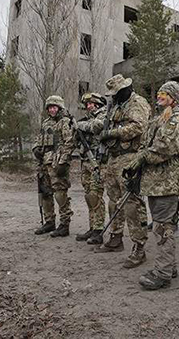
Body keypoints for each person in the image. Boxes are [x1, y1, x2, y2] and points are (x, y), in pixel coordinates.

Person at [129, 81, 179, 290]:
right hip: (156, 183)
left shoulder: (177, 119)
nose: (160, 96)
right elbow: (145, 143)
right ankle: (168, 267)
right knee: (162, 226)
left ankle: (162, 274)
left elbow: (165, 146)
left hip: (166, 183)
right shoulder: (160, 118)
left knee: (163, 228)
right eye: (160, 93)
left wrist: (142, 158)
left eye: (165, 94)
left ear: (174, 98)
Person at [96, 74, 151, 270]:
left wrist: (112, 133)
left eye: (116, 93)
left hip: (130, 157)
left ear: (125, 89)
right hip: (114, 157)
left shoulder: (137, 103)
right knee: (113, 200)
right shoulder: (116, 106)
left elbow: (139, 127)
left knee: (131, 203)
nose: (113, 96)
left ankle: (139, 247)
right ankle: (116, 237)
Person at [33, 95, 75, 238]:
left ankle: (64, 224)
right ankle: (49, 221)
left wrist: (63, 162)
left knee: (60, 193)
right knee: (45, 193)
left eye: (54, 107)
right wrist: (35, 149)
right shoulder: (45, 123)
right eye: (50, 107)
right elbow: (38, 139)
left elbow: (69, 143)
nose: (52, 110)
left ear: (59, 108)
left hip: (57, 162)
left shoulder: (65, 122)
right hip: (44, 163)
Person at [74, 92, 107, 245]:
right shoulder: (86, 118)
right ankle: (92, 226)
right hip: (86, 160)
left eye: (91, 104)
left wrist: (78, 125)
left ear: (98, 104)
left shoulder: (104, 114)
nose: (88, 107)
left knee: (95, 195)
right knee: (89, 195)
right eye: (87, 104)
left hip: (97, 162)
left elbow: (96, 127)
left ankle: (98, 230)